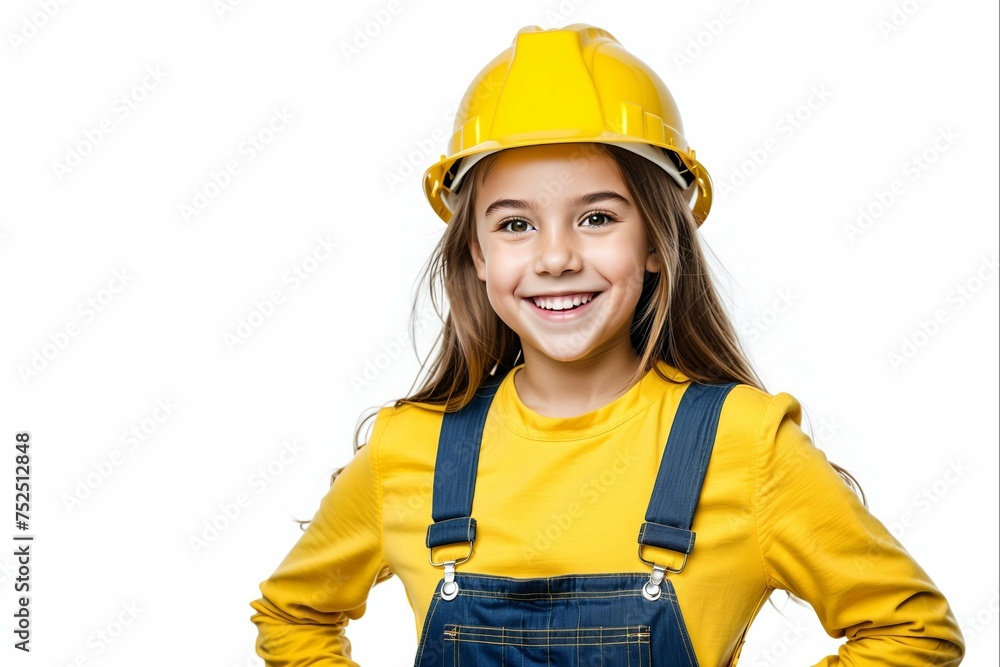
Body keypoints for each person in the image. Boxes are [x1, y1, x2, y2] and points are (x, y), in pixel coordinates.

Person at [249, 24, 965, 666]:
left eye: (596, 216)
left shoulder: (744, 444)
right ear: (474, 253)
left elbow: (910, 632)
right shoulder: (411, 448)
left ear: (657, 241)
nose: (555, 256)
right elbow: (291, 615)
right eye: (515, 224)